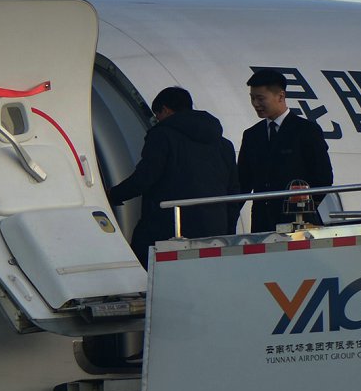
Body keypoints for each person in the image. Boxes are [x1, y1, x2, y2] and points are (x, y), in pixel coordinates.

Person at [102, 85, 236, 260]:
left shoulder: (162, 135)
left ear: (165, 110)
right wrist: (227, 227)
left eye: (157, 115)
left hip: (169, 226)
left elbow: (145, 177)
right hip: (214, 227)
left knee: (149, 268)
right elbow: (234, 187)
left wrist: (113, 195)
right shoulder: (224, 144)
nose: (157, 120)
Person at [234, 67, 335, 229]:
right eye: (252, 99)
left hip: (297, 221)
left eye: (260, 99)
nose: (255, 104)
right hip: (262, 222)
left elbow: (323, 177)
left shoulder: (306, 130)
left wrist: (304, 207)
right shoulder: (252, 135)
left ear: (280, 96)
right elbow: (243, 181)